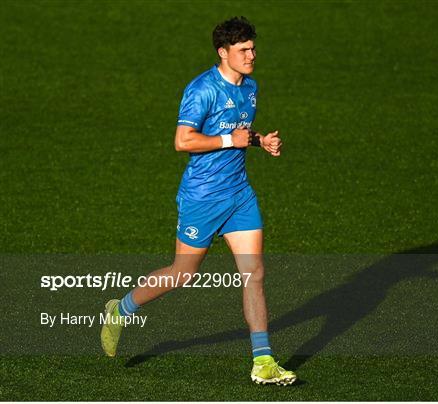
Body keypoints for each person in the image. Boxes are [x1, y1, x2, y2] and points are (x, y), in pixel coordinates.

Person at [100, 16, 296, 386]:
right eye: (243, 51)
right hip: (202, 199)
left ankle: (263, 360)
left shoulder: (250, 87)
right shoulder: (202, 89)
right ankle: (121, 308)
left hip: (239, 195)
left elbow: (237, 131)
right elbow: (183, 141)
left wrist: (258, 141)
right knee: (182, 274)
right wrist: (230, 142)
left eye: (253, 48)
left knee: (254, 275)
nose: (252, 55)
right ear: (223, 53)